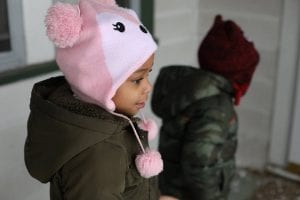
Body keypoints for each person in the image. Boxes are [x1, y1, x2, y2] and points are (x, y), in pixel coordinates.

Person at [24, 0, 163, 199]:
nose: (148, 86)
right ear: (97, 84)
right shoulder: (99, 156)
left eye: (148, 74)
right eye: (137, 79)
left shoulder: (115, 119)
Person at [151, 15, 260, 200]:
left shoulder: (189, 90)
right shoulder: (217, 107)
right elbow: (199, 162)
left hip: (170, 184)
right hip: (192, 194)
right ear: (237, 75)